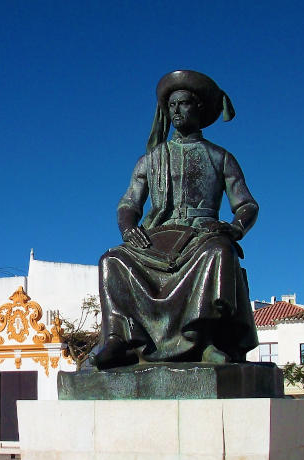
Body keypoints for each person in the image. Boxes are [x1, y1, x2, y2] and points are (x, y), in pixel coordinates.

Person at [89, 70, 259, 369]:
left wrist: (234, 228)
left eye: (183, 103)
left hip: (202, 235)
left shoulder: (220, 157)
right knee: (111, 260)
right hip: (159, 238)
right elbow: (129, 203)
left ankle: (206, 341)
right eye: (171, 106)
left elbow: (246, 204)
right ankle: (119, 339)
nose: (176, 111)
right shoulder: (151, 159)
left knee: (219, 251)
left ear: (199, 108)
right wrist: (129, 229)